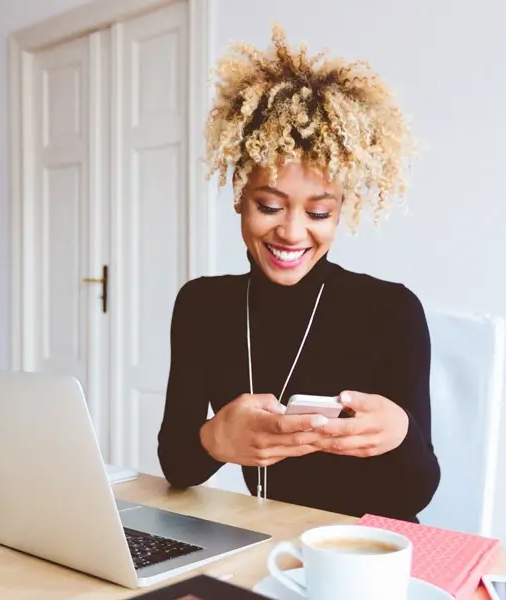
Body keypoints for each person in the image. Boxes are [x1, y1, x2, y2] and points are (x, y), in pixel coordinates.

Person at [156, 25, 441, 522]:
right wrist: (213, 437)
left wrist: (400, 433)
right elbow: (177, 465)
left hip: (366, 553)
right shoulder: (202, 305)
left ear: (340, 213)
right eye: (269, 205)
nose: (291, 232)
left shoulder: (391, 310)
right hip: (264, 540)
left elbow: (416, 495)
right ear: (240, 197)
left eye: (318, 213)